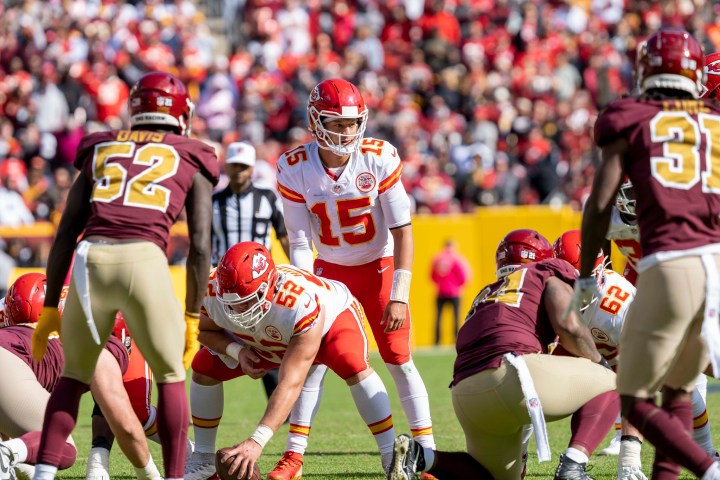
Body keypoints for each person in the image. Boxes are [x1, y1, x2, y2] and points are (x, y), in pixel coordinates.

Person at [29, 71, 219, 480]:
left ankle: (43, 475)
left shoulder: (101, 145)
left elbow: (66, 231)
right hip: (144, 259)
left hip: (89, 260)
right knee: (170, 376)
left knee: (73, 377)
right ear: (181, 114)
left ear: (135, 108)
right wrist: (191, 314)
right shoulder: (193, 151)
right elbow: (201, 244)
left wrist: (48, 307)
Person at [570, 29, 720, 480]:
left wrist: (583, 277)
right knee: (678, 389)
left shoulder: (630, 117)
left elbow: (598, 206)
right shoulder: (711, 126)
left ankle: (707, 468)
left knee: (636, 392)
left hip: (672, 267)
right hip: (712, 265)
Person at [274, 77, 435, 480]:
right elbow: (298, 241)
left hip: (378, 266)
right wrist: (305, 296)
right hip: (329, 273)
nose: (346, 132)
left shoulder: (378, 157)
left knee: (398, 359)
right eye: (337, 123)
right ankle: (294, 455)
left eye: (352, 123)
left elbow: (403, 231)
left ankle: (429, 455)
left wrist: (399, 293)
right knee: (310, 362)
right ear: (315, 120)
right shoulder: (295, 167)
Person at [389, 229, 618, 480]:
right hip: (511, 374)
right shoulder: (544, 273)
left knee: (496, 476)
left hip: (465, 394)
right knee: (615, 381)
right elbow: (569, 325)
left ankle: (421, 456)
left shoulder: (485, 295)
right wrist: (599, 361)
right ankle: (573, 466)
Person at [185, 242, 397, 479]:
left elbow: (291, 382)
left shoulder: (298, 303)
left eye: (246, 301)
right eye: (232, 304)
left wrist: (257, 441)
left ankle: (391, 455)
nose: (238, 311)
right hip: (266, 337)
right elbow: (205, 331)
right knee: (204, 366)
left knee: (352, 364)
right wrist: (237, 352)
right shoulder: (214, 288)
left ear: (270, 286)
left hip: (329, 324)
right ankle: (202, 459)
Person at [0, 273, 161, 480]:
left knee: (15, 451)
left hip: (10, 359)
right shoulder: (103, 350)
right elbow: (125, 425)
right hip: (8, 363)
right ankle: (6, 453)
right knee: (62, 448)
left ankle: (7, 454)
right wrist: (151, 476)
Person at [207, 140, 290, 421]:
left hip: (260, 285)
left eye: (244, 167)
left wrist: (296, 269)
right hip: (222, 287)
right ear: (227, 167)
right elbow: (204, 244)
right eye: (235, 166)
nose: (239, 172)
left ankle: (283, 409)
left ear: (252, 168)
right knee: (211, 345)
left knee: (270, 342)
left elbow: (284, 235)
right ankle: (207, 407)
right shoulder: (214, 202)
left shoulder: (267, 198)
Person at [429, 239, 470, 345]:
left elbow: (432, 275)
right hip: (455, 292)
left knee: (438, 317)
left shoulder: (437, 258)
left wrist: (440, 284)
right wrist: (457, 286)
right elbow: (463, 276)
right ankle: (456, 339)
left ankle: (437, 341)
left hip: (441, 291)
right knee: (456, 317)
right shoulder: (457, 258)